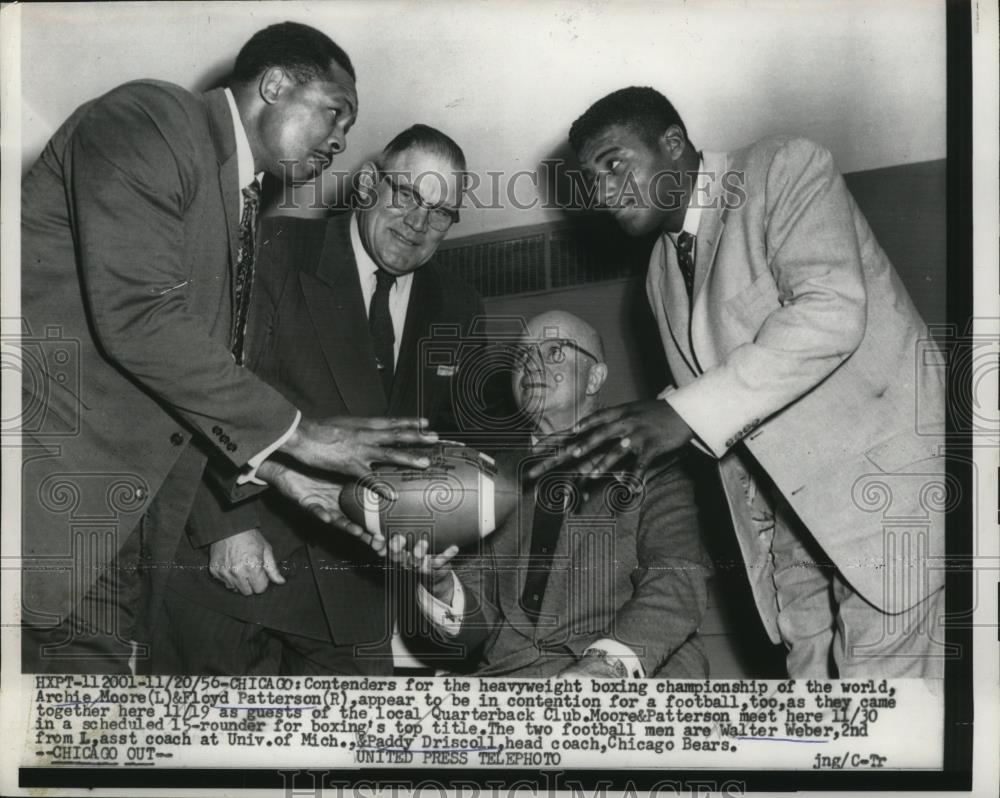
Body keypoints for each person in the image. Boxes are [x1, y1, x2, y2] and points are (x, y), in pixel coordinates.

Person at [20, 22, 438, 673]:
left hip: (120, 532)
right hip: (56, 500)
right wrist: (302, 438)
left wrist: (279, 473)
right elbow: (138, 318)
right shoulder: (152, 118)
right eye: (335, 112)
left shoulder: (242, 213)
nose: (339, 141)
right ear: (273, 84)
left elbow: (183, 381)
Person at [534, 87, 947, 678]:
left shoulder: (782, 166)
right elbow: (725, 424)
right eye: (591, 181)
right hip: (792, 534)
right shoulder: (657, 273)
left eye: (614, 164)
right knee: (815, 720)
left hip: (881, 503)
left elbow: (831, 310)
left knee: (882, 727)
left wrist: (679, 414)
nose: (603, 192)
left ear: (673, 144)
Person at [152, 126, 486, 675]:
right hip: (236, 567)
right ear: (368, 184)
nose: (419, 223)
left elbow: (449, 443)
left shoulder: (460, 306)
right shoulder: (270, 249)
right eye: (407, 195)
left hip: (359, 596)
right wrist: (223, 523)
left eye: (443, 212)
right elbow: (191, 386)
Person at [395, 311, 712, 679]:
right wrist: (442, 584)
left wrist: (606, 665)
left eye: (554, 351)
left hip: (627, 672)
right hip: (508, 678)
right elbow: (471, 628)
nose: (532, 364)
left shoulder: (653, 460)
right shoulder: (486, 477)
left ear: (595, 377)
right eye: (522, 355)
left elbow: (676, 578)